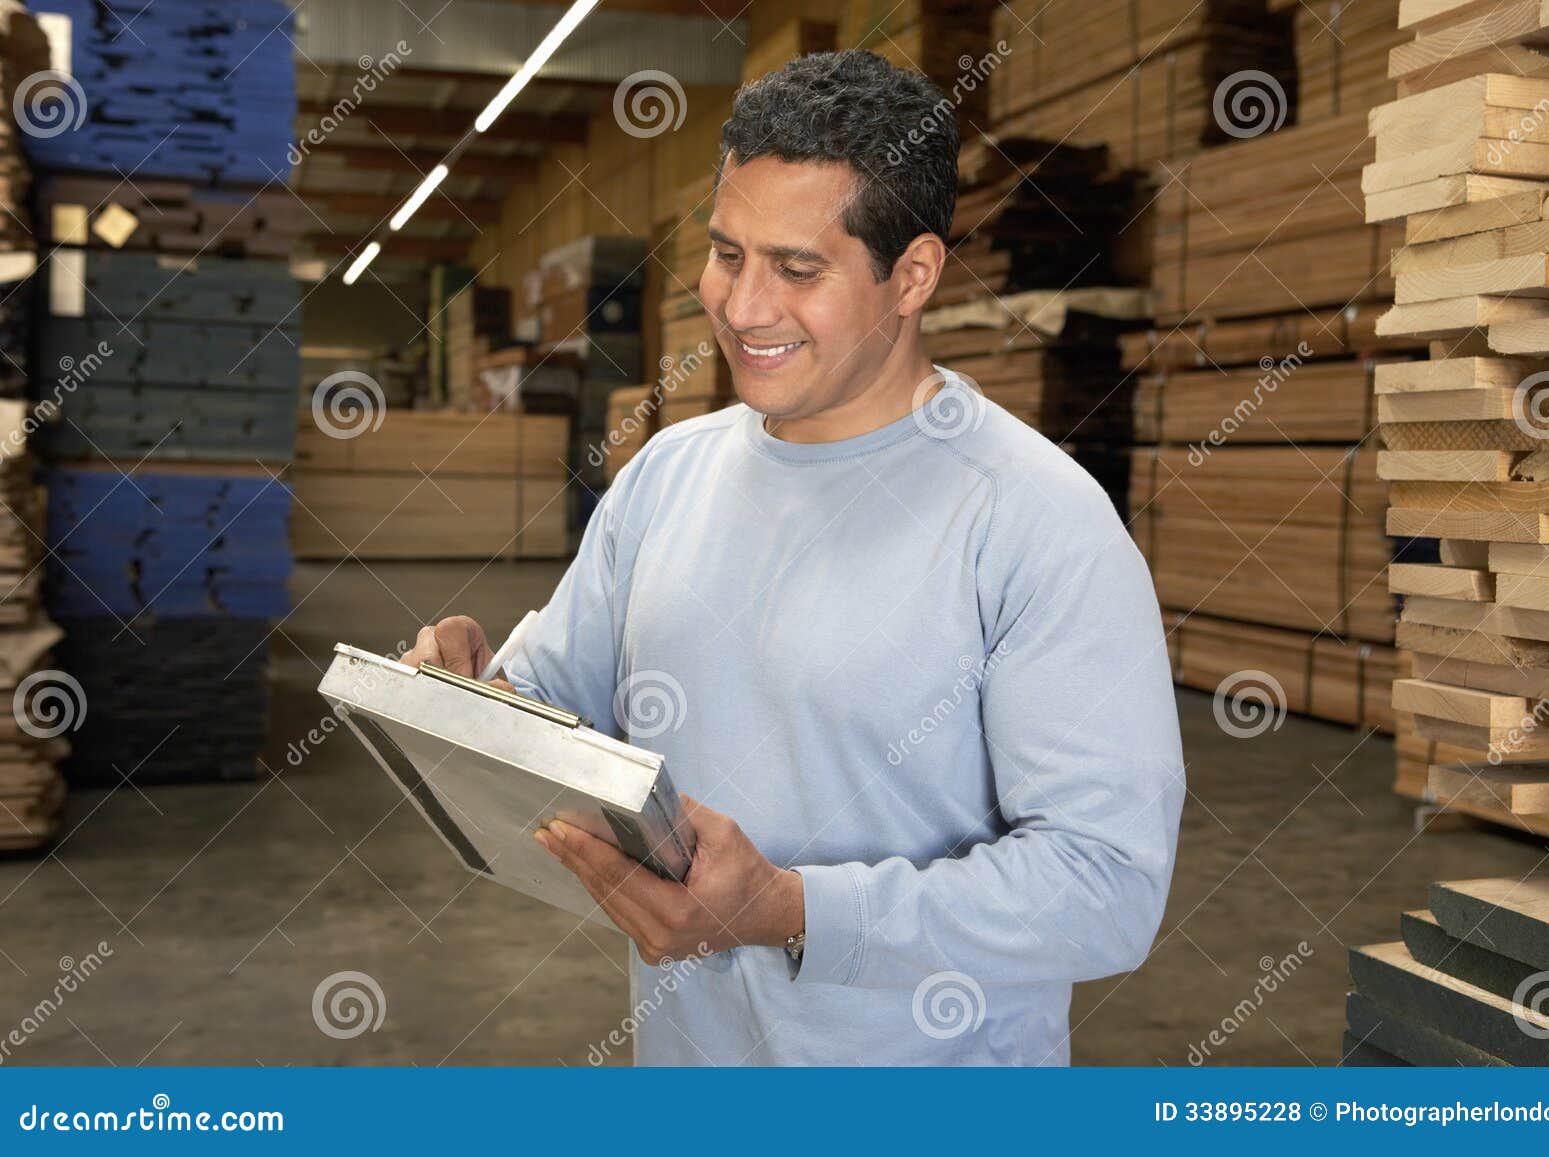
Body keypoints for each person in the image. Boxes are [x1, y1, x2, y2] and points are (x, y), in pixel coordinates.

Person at [401, 49, 1184, 1066]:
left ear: (911, 275)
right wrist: (474, 695)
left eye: (796, 268)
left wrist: (786, 907)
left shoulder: (1034, 521)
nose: (740, 305)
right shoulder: (664, 475)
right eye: (727, 252)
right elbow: (558, 699)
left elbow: (1106, 888)